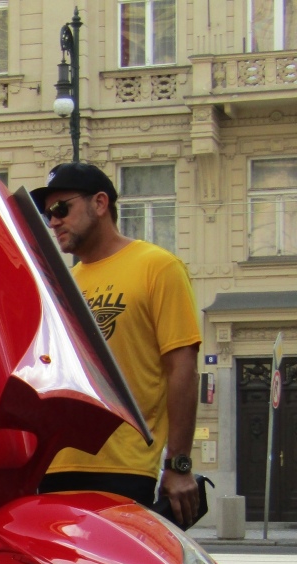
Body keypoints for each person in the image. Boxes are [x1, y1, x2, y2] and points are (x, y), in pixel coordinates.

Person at [30, 162, 202, 526]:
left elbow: (182, 367)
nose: (53, 221)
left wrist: (179, 464)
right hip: (53, 468)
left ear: (100, 203)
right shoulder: (60, 283)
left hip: (124, 467)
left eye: (62, 209)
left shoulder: (157, 266)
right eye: (47, 215)